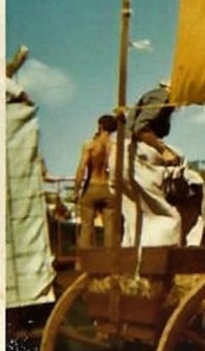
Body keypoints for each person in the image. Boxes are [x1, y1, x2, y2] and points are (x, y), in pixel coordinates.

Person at [122, 82, 183, 247]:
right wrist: (164, 151)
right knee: (166, 216)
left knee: (136, 218)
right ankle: (163, 255)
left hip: (126, 154)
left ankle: (133, 260)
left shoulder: (158, 98)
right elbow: (140, 128)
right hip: (136, 154)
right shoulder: (163, 96)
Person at [73, 114, 118, 248]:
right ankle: (110, 263)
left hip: (91, 186)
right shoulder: (114, 147)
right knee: (110, 229)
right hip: (108, 188)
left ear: (100, 126)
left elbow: (81, 169)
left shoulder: (90, 145)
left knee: (86, 227)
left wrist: (76, 191)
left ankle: (84, 265)